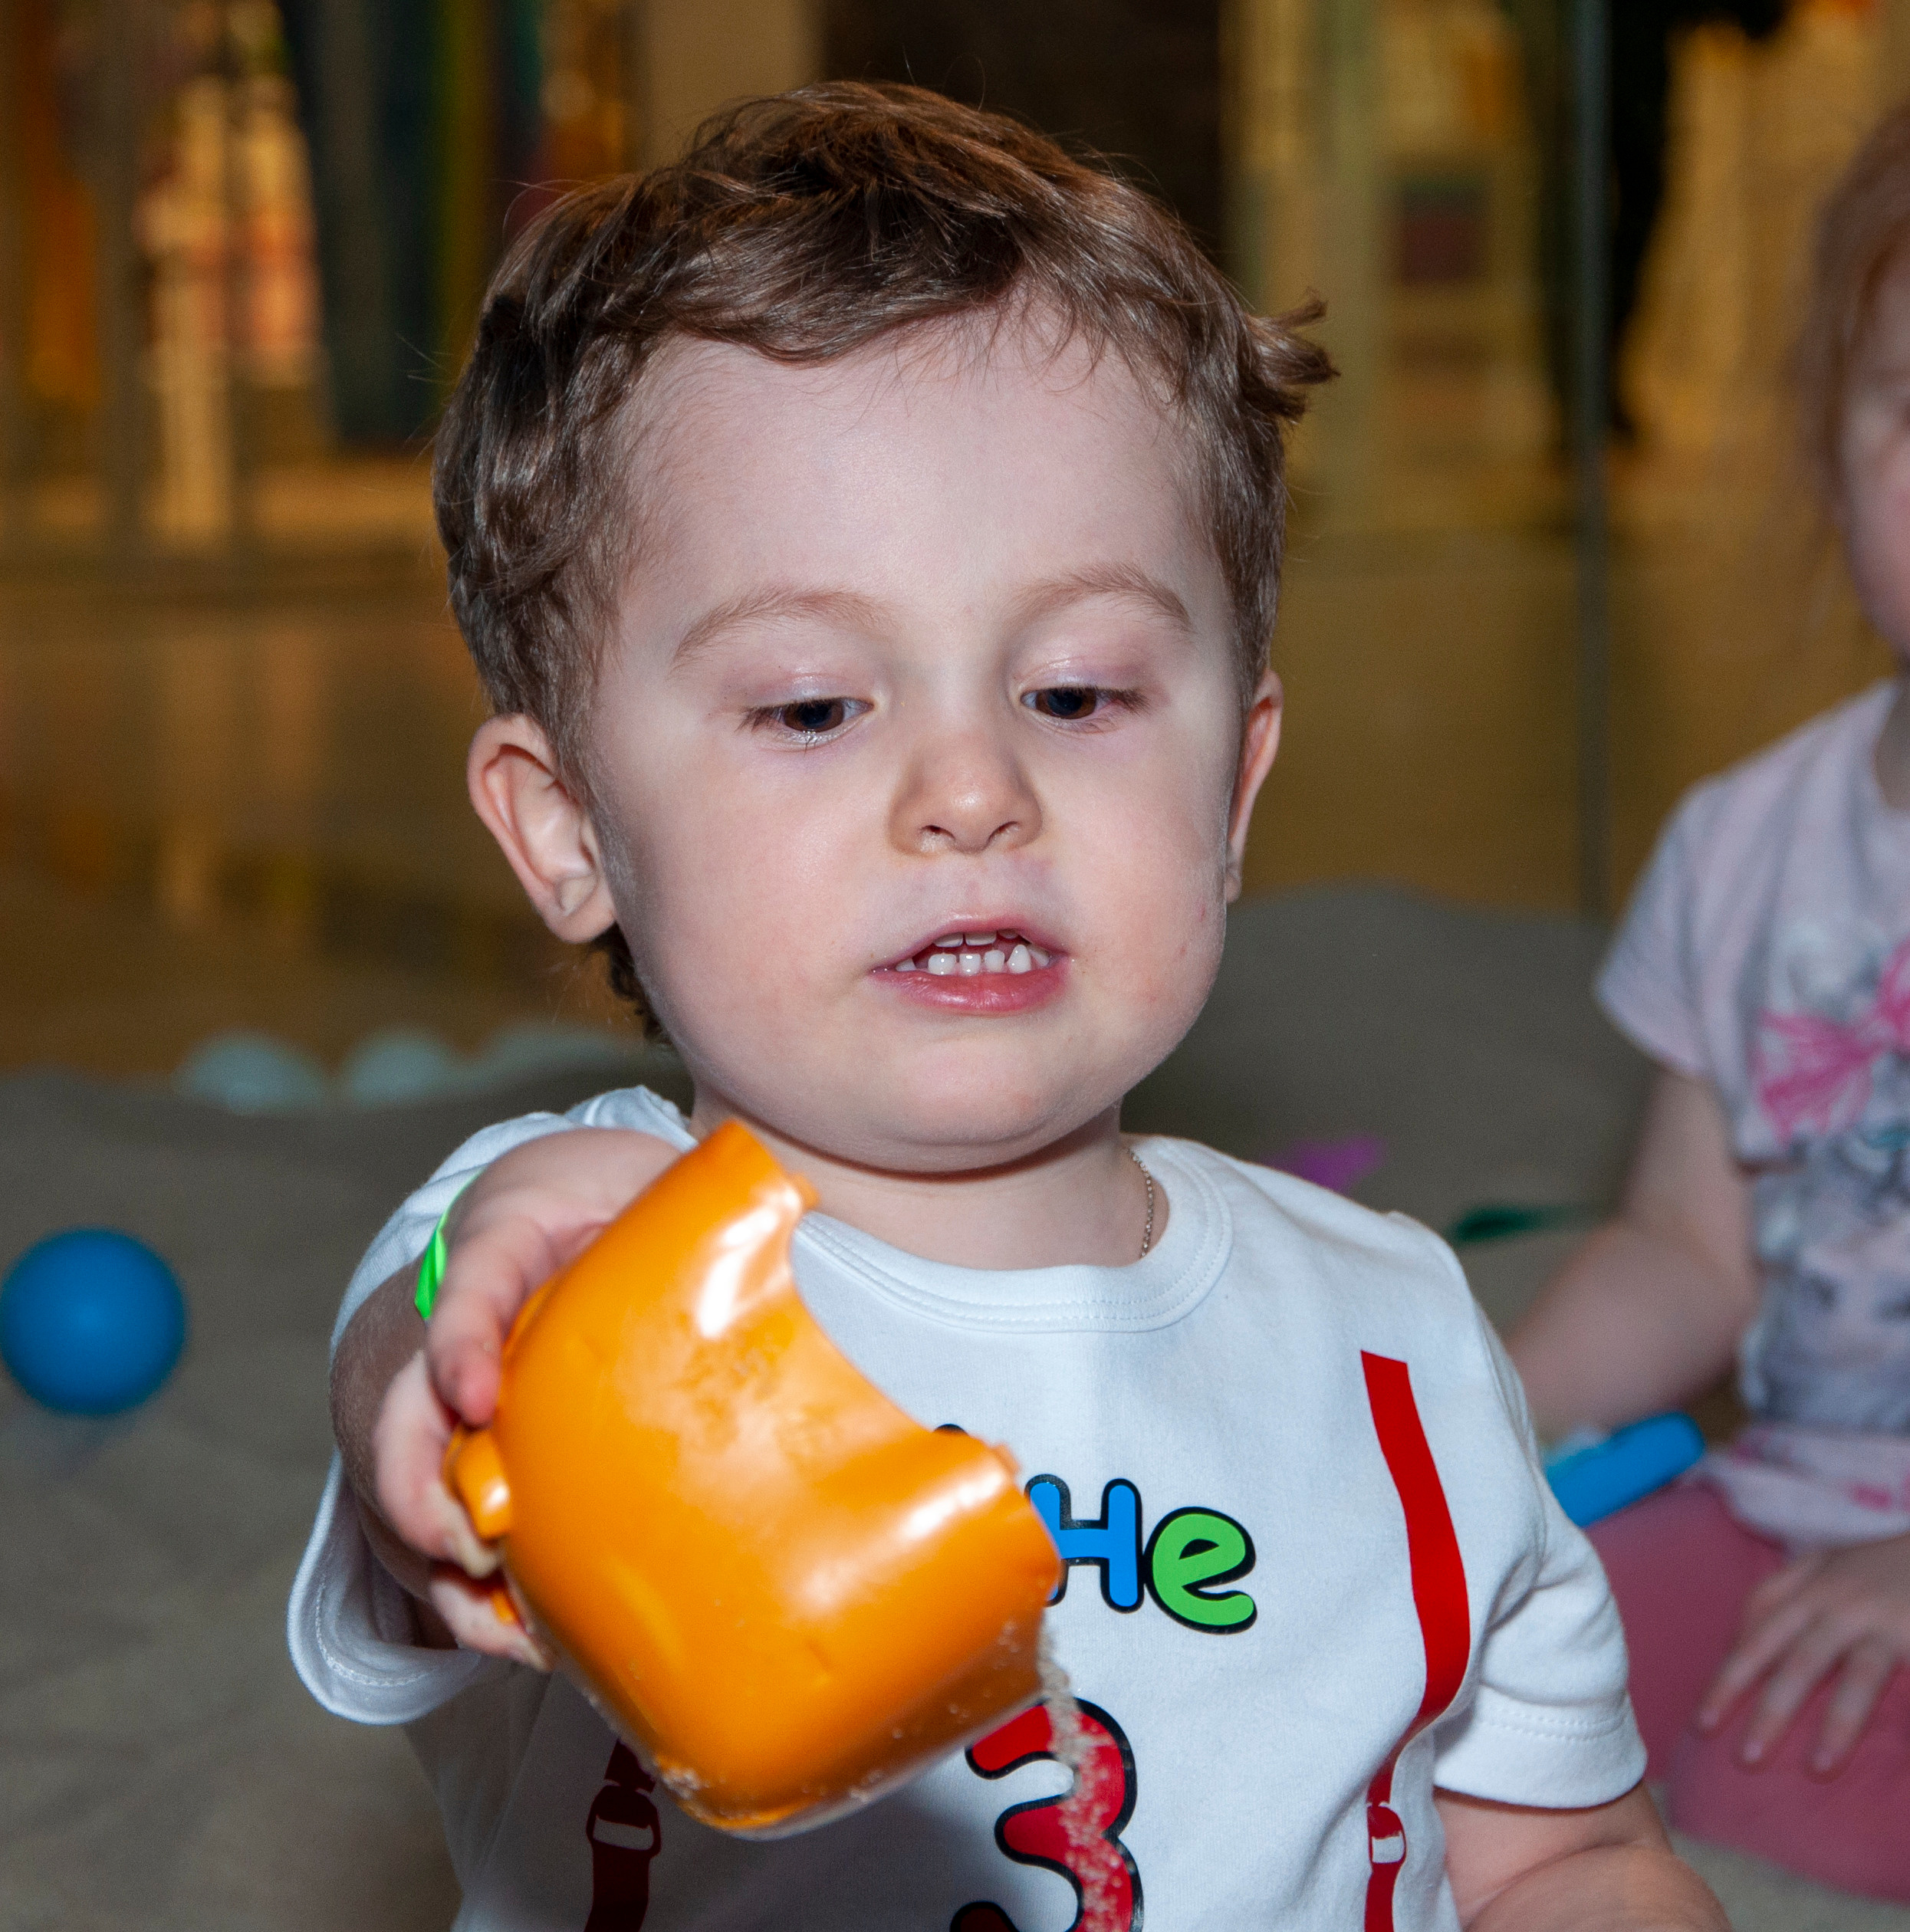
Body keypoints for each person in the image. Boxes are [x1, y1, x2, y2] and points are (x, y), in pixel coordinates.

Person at [290, 84, 1724, 1931]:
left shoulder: (1399, 1351)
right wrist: (458, 1357)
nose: (971, 791)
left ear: (1233, 786)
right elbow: (416, 1387)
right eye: (813, 707)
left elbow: (1563, 1851)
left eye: (1075, 694)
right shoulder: (579, 1276)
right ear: (567, 832)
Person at [1509, 100, 1910, 1904]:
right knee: (1479, 1674)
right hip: (1786, 1493)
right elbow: (1686, 1250)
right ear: (1830, 454)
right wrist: (1469, 1419)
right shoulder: (1748, 838)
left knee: (1789, 1801)